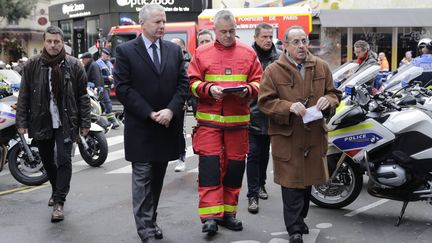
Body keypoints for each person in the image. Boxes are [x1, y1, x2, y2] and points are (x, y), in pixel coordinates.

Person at [258, 26, 341, 243]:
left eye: (304, 41)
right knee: (292, 185)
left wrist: (329, 101)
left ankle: (300, 220)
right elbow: (264, 102)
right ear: (286, 45)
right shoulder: (273, 71)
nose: (302, 46)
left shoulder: (321, 67)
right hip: (289, 138)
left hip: (313, 137)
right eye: (296, 42)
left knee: (307, 184)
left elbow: (334, 94)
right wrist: (287, 107)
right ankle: (294, 228)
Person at [113, 4, 188, 243]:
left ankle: (151, 219)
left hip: (167, 126)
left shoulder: (173, 51)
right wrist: (150, 113)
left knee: (157, 178)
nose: (162, 26)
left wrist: (170, 110)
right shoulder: (126, 51)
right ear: (142, 23)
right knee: (142, 178)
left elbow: (182, 85)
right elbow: (123, 88)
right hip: (142, 127)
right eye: (157, 22)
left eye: (163, 21)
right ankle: (144, 227)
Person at [188, 9, 262, 235]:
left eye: (232, 31)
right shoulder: (201, 53)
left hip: (237, 125)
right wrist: (209, 89)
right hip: (209, 125)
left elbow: (259, 83)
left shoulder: (248, 53)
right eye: (224, 31)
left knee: (234, 169)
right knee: (210, 169)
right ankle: (210, 217)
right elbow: (192, 82)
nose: (228, 35)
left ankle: (229, 213)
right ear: (214, 30)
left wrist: (247, 90)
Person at [16, 26, 91, 223]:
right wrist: (21, 122)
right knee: (48, 161)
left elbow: (83, 96)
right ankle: (55, 188)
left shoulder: (74, 65)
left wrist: (85, 122)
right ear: (44, 42)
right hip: (41, 120)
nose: (53, 45)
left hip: (66, 120)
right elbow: (24, 95)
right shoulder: (32, 65)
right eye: (49, 41)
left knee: (65, 159)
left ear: (62, 42)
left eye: (56, 42)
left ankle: (59, 202)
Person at [247, 22, 281, 214]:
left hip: (271, 115)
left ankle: (261, 184)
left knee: (264, 153)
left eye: (270, 37)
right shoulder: (248, 56)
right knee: (252, 154)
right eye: (264, 37)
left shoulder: (279, 59)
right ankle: (252, 195)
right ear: (256, 37)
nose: (268, 40)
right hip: (251, 114)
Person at [170, 37, 191, 173]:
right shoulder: (167, 59)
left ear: (183, 48)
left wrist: (184, 101)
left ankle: (181, 158)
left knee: (179, 131)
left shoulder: (187, 63)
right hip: (167, 101)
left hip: (179, 101)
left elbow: (185, 84)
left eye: (176, 46)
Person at [188, 30, 215, 116]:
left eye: (207, 41)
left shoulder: (219, 58)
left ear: (213, 41)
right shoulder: (195, 60)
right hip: (201, 105)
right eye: (201, 42)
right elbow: (191, 82)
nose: (204, 44)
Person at [96, 48, 119, 129]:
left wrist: (112, 82)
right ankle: (112, 120)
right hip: (102, 87)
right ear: (103, 54)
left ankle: (103, 121)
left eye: (109, 56)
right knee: (108, 103)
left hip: (108, 86)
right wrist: (107, 78)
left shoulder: (108, 63)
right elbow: (97, 76)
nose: (109, 58)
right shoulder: (98, 63)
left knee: (102, 104)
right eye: (108, 56)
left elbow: (113, 73)